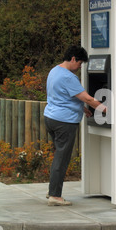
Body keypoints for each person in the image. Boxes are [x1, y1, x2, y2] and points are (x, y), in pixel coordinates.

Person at [44, 46, 106, 207]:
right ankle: (55, 196)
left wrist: (82, 109)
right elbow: (88, 98)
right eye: (79, 63)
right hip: (64, 122)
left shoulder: (54, 71)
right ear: (73, 59)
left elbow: (62, 96)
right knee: (62, 158)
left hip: (51, 117)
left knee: (58, 155)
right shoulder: (68, 77)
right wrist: (106, 109)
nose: (80, 67)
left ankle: (52, 189)